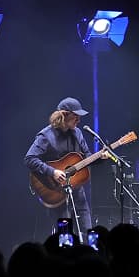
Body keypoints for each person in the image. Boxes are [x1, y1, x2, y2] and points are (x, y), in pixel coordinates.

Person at [24, 96, 104, 239]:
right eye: (75, 117)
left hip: (76, 187)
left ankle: (93, 254)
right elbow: (29, 159)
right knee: (65, 233)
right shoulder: (46, 136)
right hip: (55, 189)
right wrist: (52, 171)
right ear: (64, 116)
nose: (79, 121)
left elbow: (87, 158)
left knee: (88, 228)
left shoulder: (77, 133)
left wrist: (100, 158)